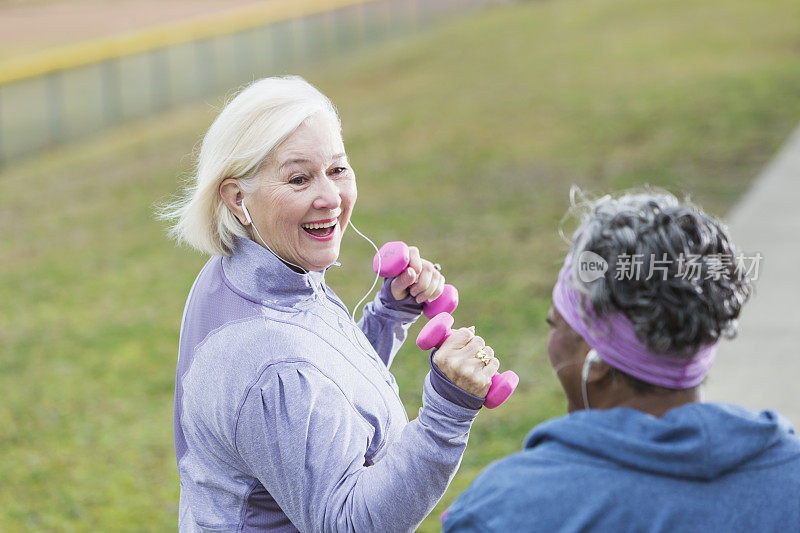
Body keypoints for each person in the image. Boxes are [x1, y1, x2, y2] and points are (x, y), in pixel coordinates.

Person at [161, 76, 501, 532]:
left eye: (337, 169)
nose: (330, 198)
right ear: (237, 197)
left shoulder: (251, 270)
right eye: (299, 178)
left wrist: (388, 316)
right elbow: (346, 522)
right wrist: (446, 414)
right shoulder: (270, 362)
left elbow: (322, 397)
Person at [443, 189, 800, 532]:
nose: (551, 340)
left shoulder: (505, 511)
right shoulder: (789, 472)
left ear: (595, 362)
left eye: (556, 323)